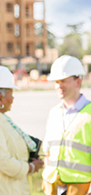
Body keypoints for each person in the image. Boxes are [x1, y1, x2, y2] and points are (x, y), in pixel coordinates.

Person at [0, 66, 44, 195]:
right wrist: (30, 167)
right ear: (0, 99)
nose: (13, 98)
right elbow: (0, 161)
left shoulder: (0, 121)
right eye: (11, 94)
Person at [42, 55, 91, 195]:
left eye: (63, 81)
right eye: (56, 82)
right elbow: (48, 151)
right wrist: (47, 175)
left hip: (81, 188)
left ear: (78, 82)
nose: (59, 86)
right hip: (54, 187)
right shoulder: (54, 113)